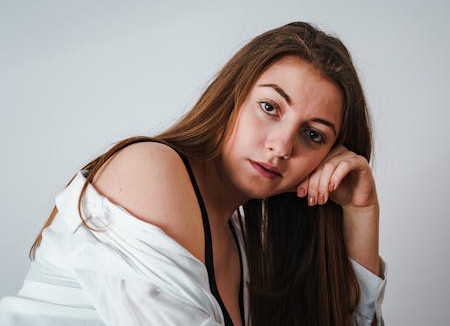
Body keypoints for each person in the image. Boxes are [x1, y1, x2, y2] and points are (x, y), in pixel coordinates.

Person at [0, 21, 386, 326]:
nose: (282, 147)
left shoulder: (242, 245)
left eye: (313, 134)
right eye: (269, 107)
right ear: (231, 96)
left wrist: (361, 213)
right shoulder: (151, 171)